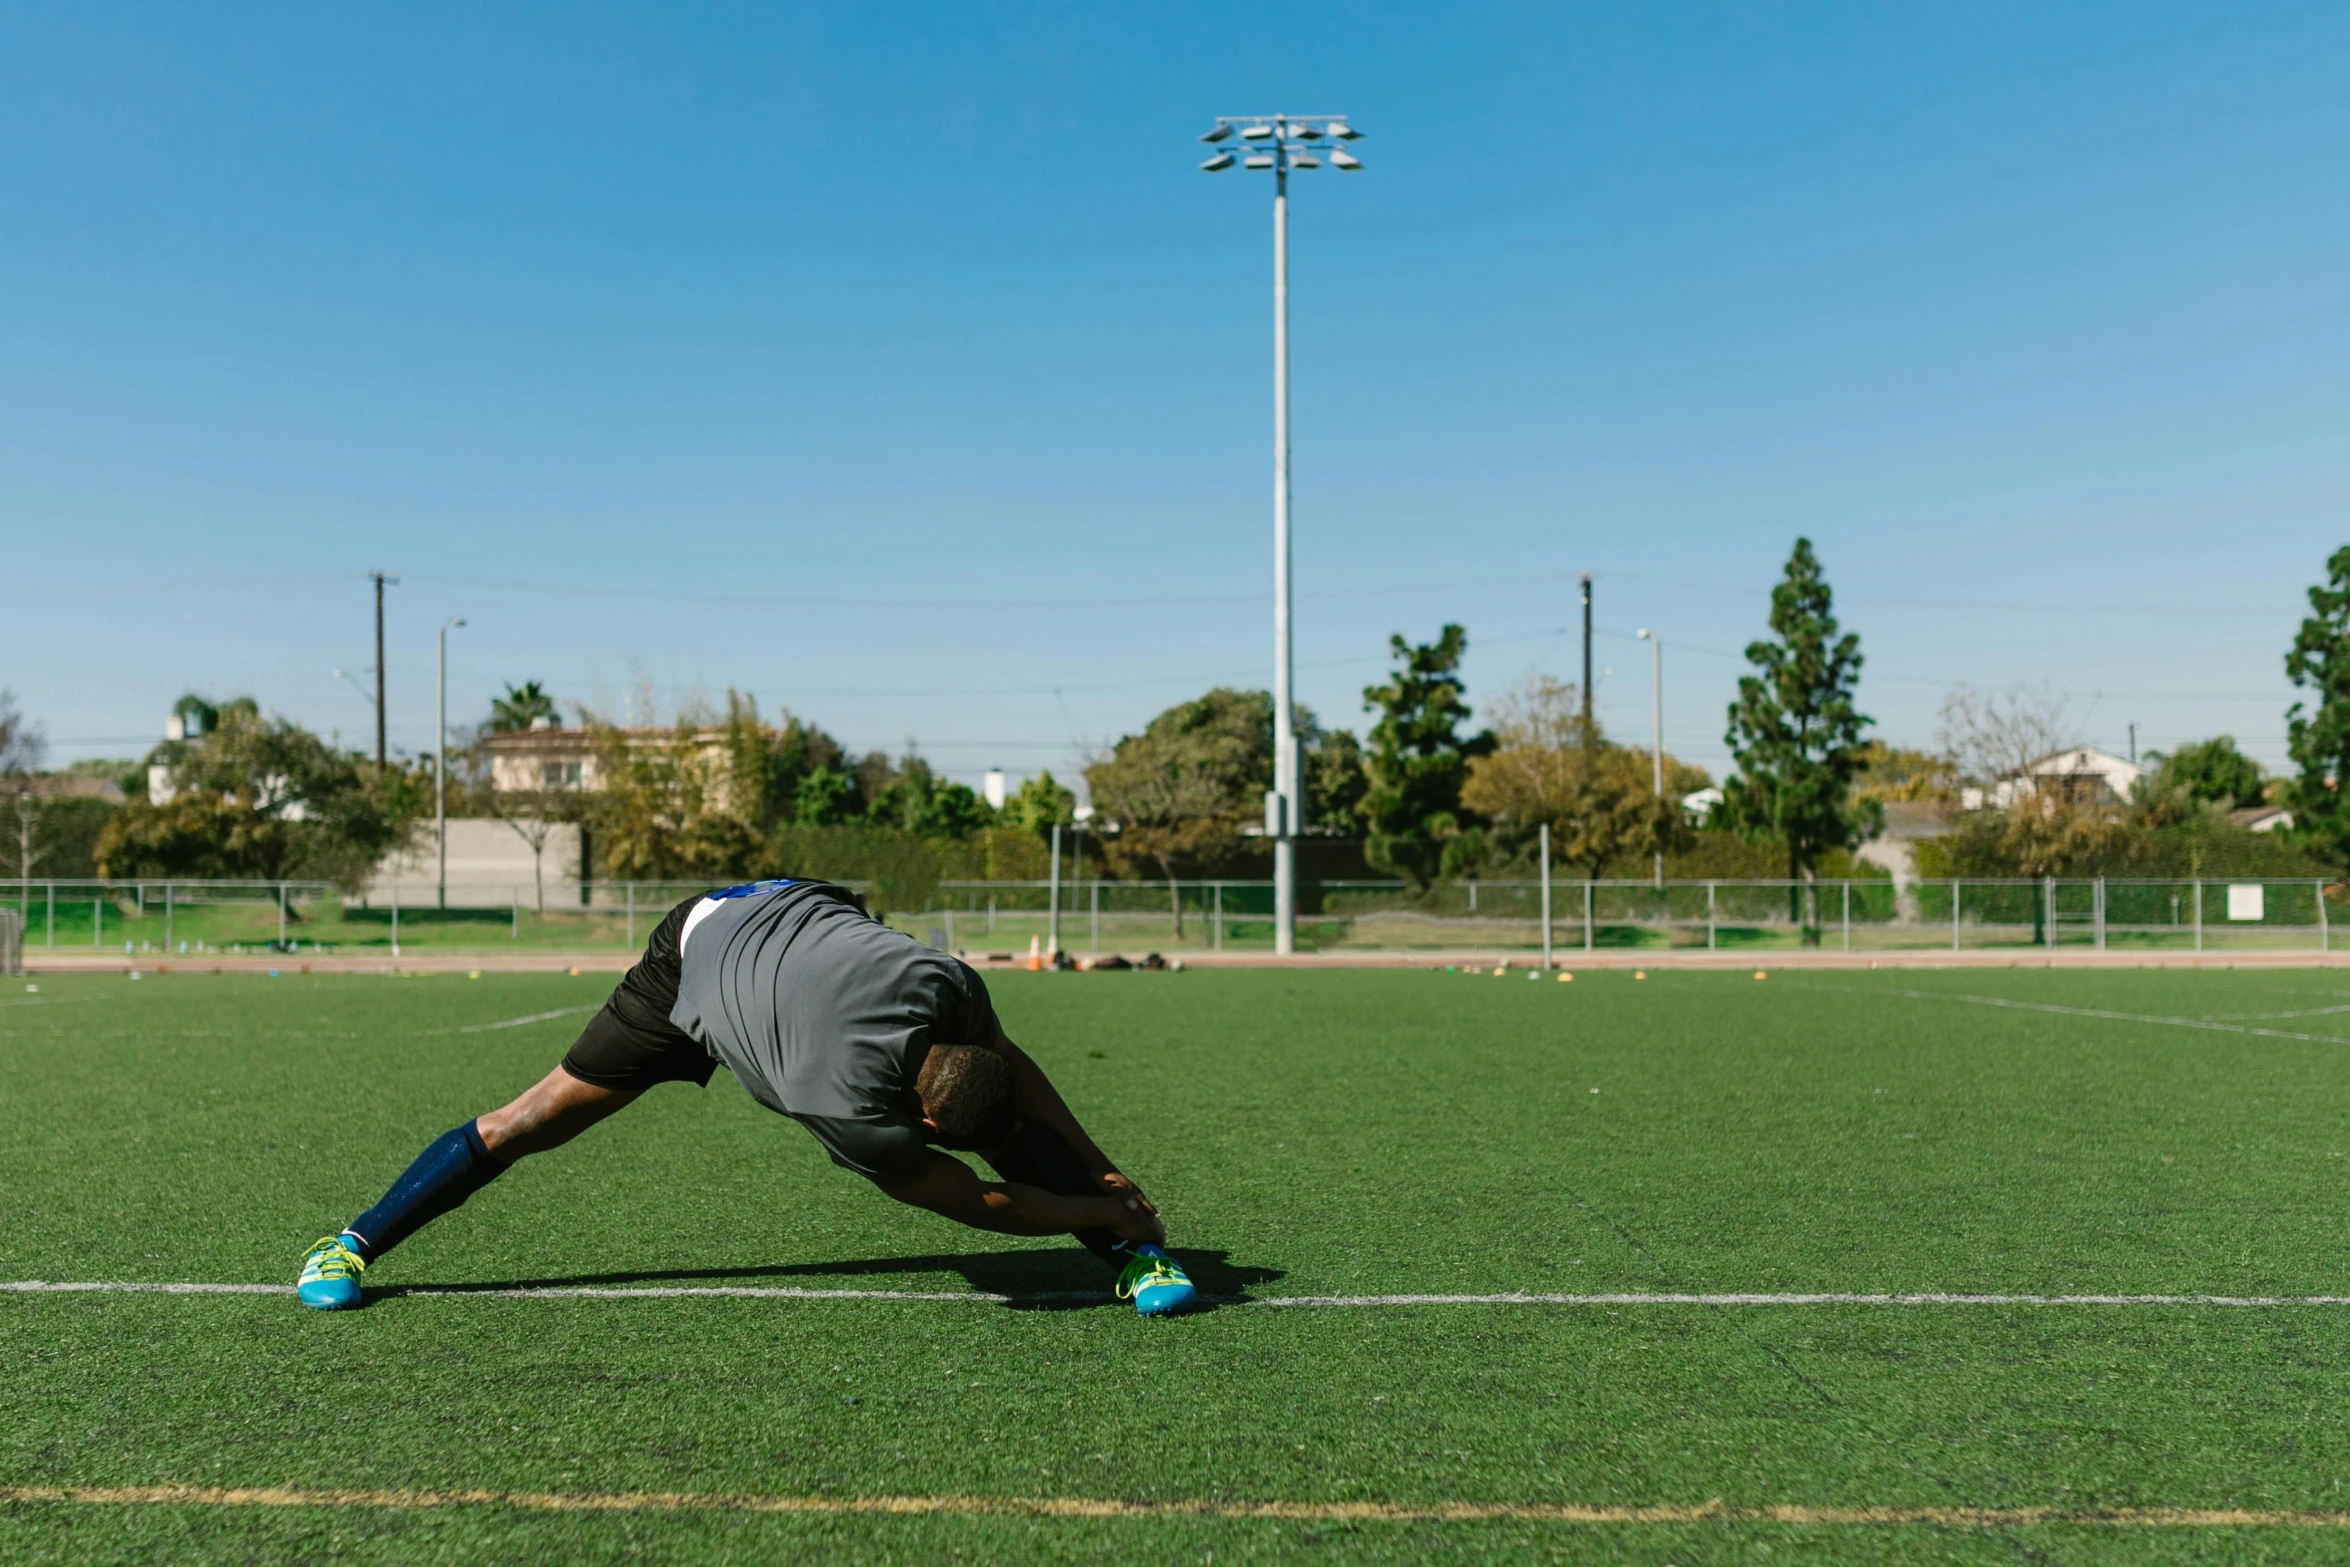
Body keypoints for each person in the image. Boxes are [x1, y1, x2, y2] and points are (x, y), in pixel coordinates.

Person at [295, 878, 1195, 1317]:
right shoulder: (852, 1110)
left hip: (796, 914)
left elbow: (1015, 1073)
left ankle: (1129, 1257)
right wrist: (1081, 1195)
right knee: (530, 1120)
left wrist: (1100, 1163)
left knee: (1000, 1119)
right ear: (919, 1122)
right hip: (698, 946)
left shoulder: (948, 986)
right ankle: (350, 1243)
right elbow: (976, 1201)